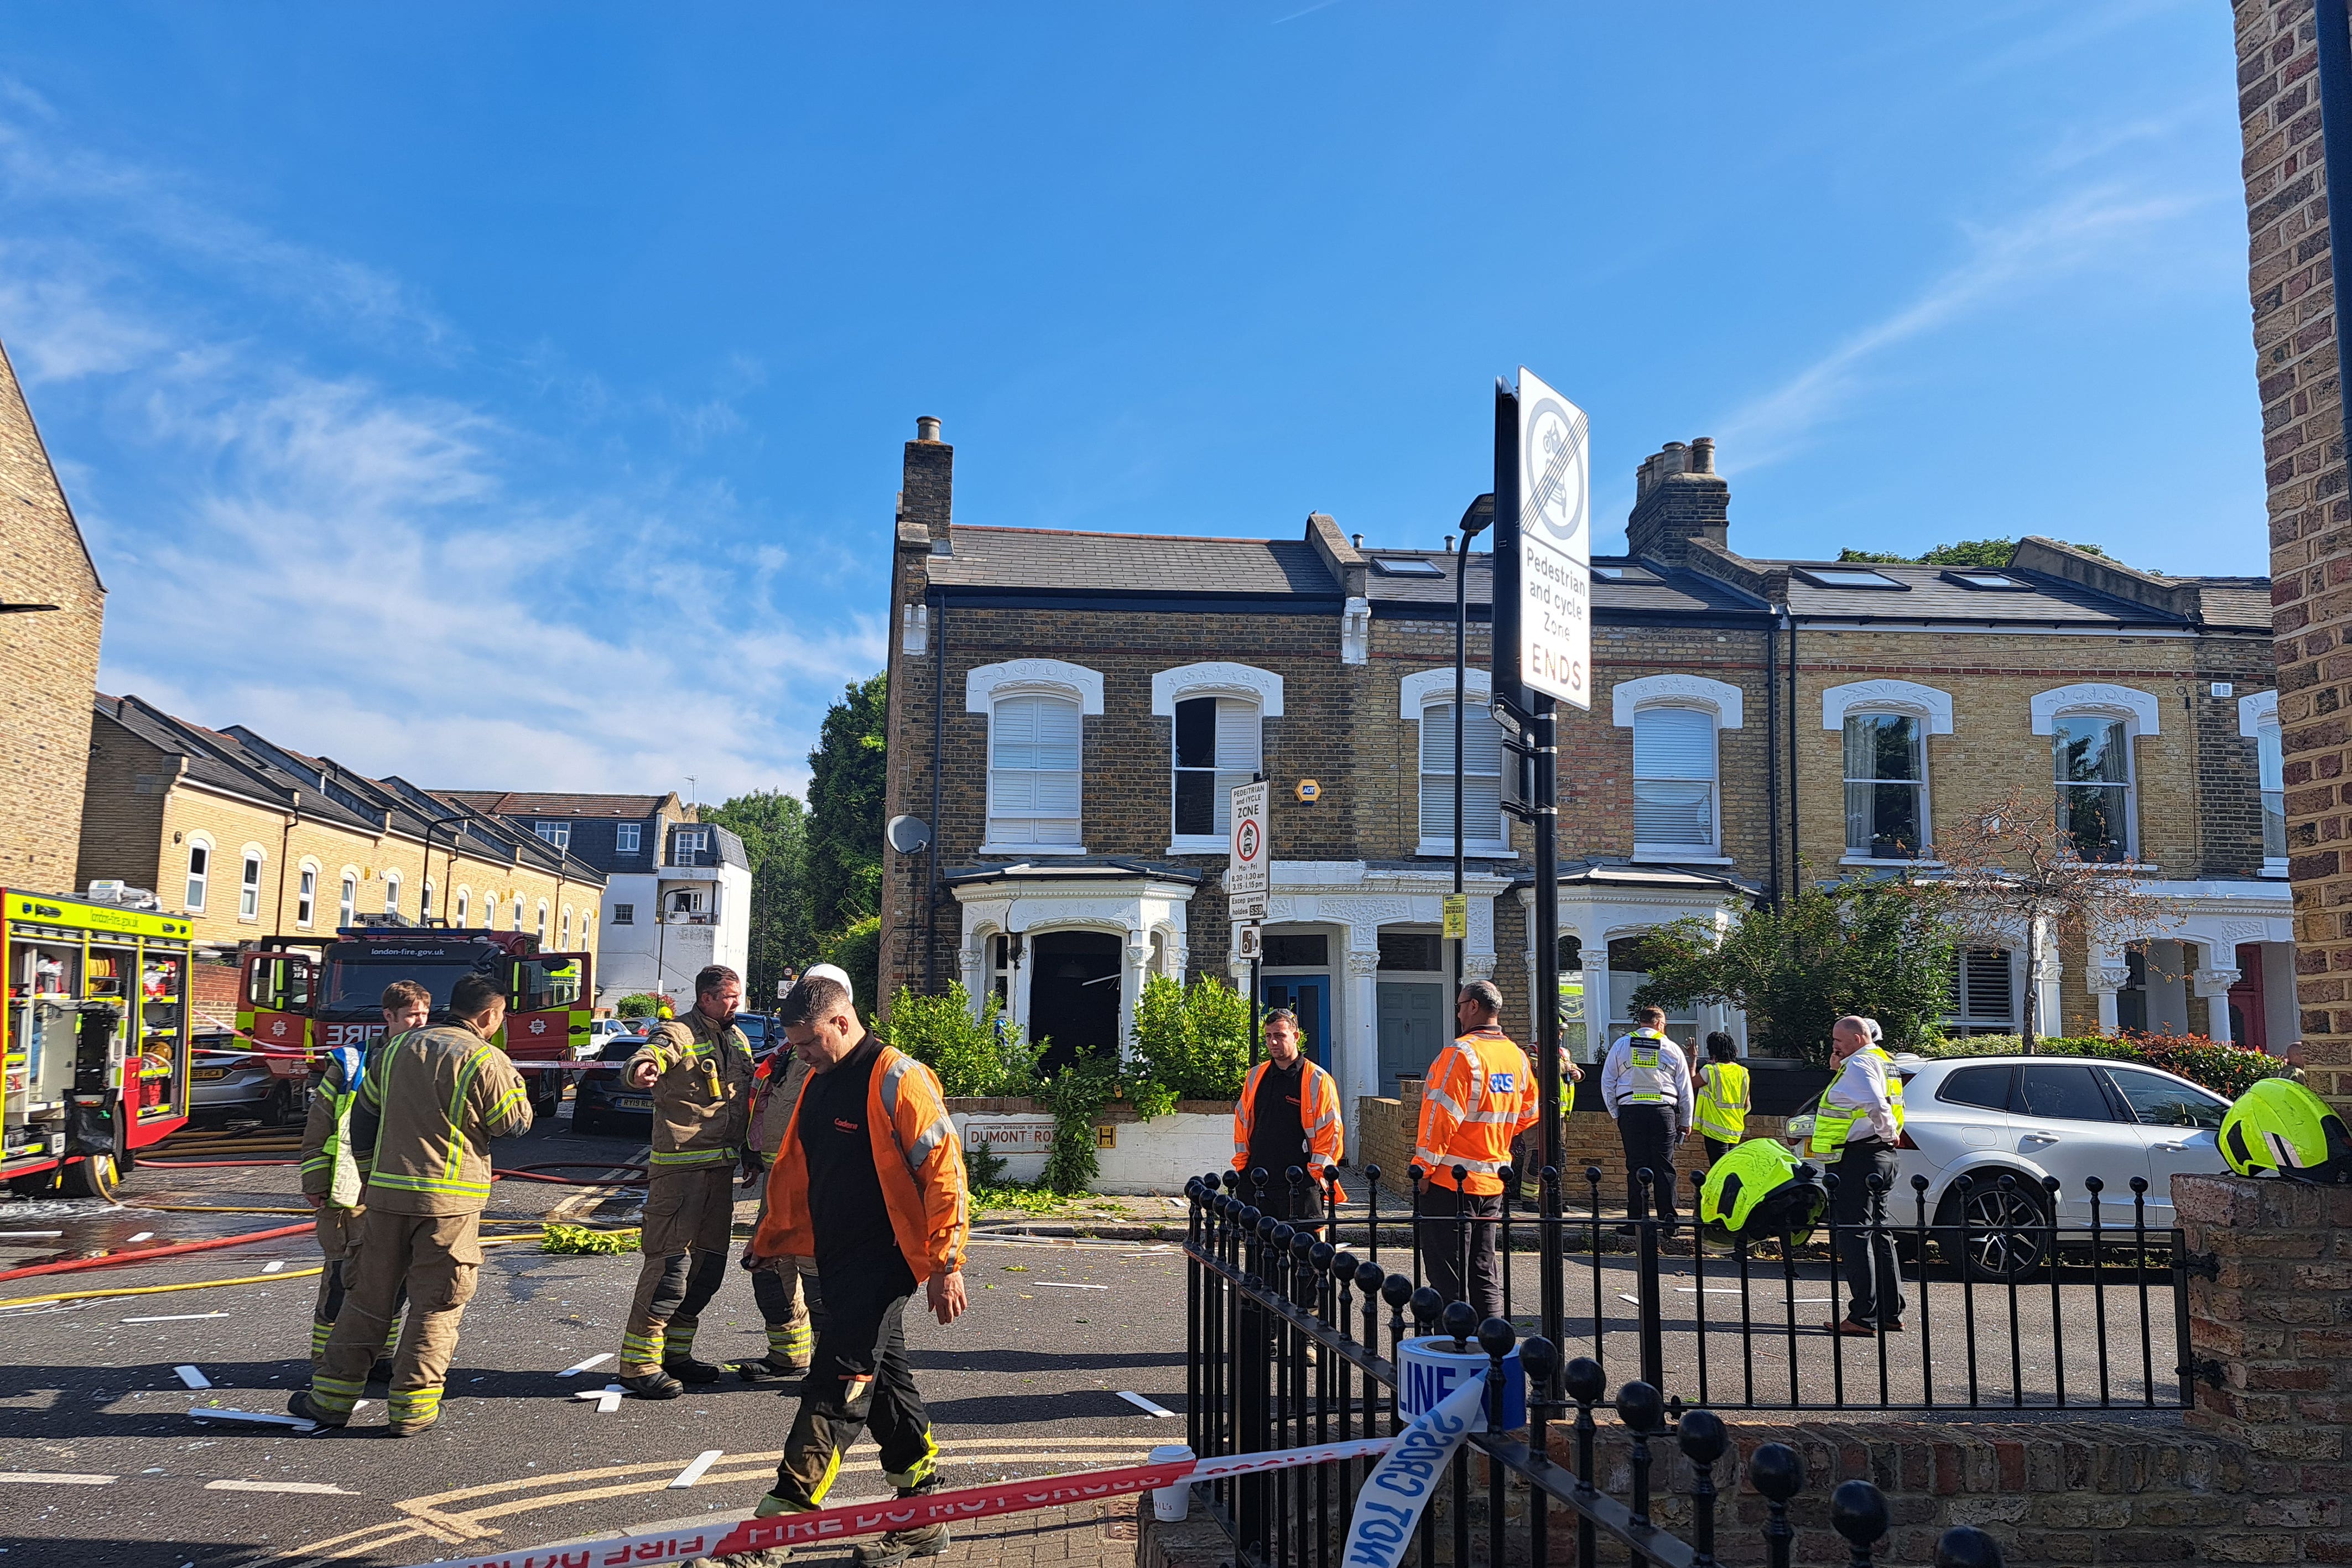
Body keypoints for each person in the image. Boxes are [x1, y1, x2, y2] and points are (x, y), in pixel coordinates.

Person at [736, 972, 969, 1568]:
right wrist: (772, 1239)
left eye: (810, 1042)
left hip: (884, 1259)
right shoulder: (819, 1080)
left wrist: (947, 1263)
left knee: (837, 1381)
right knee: (887, 1385)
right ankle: (922, 1514)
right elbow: (795, 1172)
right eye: (796, 1046)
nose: (803, 1055)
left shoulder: (897, 1077)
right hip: (835, 1259)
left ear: (842, 1021)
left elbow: (946, 1174)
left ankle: (774, 1533)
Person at [298, 972, 532, 1434]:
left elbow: (362, 1121)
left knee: (368, 1298)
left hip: (385, 1198)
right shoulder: (485, 1057)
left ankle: (330, 1400)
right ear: (488, 1014)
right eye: (501, 1015)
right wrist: (517, 1086)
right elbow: (512, 1124)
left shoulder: (395, 1050)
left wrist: (369, 1178)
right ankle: (412, 1410)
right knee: (436, 1305)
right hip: (449, 1203)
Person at [616, 963, 757, 1397]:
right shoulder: (679, 1032)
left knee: (708, 1267)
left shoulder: (737, 1037)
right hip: (680, 1172)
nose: (737, 1004)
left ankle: (676, 1353)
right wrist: (642, 1068)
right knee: (670, 1267)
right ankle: (639, 1363)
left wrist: (750, 1149)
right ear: (707, 998)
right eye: (730, 997)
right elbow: (651, 1053)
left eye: (739, 996)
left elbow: (741, 1099)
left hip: (720, 1172)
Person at [293, 980, 428, 1403]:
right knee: (343, 1276)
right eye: (411, 1016)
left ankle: (378, 1356)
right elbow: (321, 1124)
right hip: (349, 1189)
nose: (420, 1023)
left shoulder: (426, 1059)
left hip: (398, 1187)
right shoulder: (353, 1062)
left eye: (424, 1015)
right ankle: (327, 1358)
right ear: (387, 1016)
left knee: (393, 1277)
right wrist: (315, 1180)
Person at [736, 962, 852, 1383]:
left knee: (818, 1273)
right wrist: (751, 1149)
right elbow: (768, 1101)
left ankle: (829, 1364)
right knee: (767, 1266)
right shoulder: (791, 1050)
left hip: (815, 1183)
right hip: (776, 1178)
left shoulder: (841, 1059)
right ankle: (789, 1354)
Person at [1412, 980, 1538, 1321]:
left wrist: (1422, 1169)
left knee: (1448, 1277)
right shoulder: (1517, 1056)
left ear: (1473, 1007)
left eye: (1459, 1006)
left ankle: (1454, 1350)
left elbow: (1440, 1118)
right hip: (1494, 1180)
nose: (1457, 1013)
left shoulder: (1461, 1054)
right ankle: (1492, 1348)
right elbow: (1530, 1111)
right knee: (1483, 1270)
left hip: (1451, 1182)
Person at [1810, 1014, 1905, 1336]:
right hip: (1879, 1158)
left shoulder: (1860, 1065)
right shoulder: (1881, 1060)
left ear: (1858, 1038)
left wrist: (1887, 1132)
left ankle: (1863, 1317)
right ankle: (1890, 1313)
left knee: (1855, 1235)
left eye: (1838, 1040)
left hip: (1859, 1158)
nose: (1833, 1045)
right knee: (1879, 1233)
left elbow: (1876, 1103)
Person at [1230, 1009, 1347, 1222]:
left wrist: (1316, 1173)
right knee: (1259, 1250)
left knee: (1304, 1251)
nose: (1273, 1042)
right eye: (1268, 1036)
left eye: (1280, 1035)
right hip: (1257, 1179)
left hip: (1300, 1183)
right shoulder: (1256, 1075)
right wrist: (1242, 1168)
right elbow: (1242, 1122)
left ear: (1296, 1037)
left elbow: (1331, 1132)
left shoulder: (1317, 1079)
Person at [1601, 1006, 1695, 1233]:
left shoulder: (1621, 1045)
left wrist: (1616, 1113)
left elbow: (1607, 1082)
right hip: (1663, 1112)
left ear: (1640, 1022)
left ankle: (1635, 1222)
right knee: (1664, 1167)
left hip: (1631, 1112)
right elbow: (1685, 1087)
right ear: (1661, 1024)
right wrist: (1686, 1119)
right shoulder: (1671, 1047)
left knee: (1636, 1167)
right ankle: (1669, 1223)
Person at [1692, 1031, 1750, 1167]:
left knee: (1718, 1170)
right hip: (1735, 1129)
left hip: (1715, 1130)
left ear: (1712, 1051)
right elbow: (1747, 1104)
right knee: (1730, 1169)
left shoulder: (1711, 1070)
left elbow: (1692, 1083)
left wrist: (1693, 1060)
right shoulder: (1743, 1072)